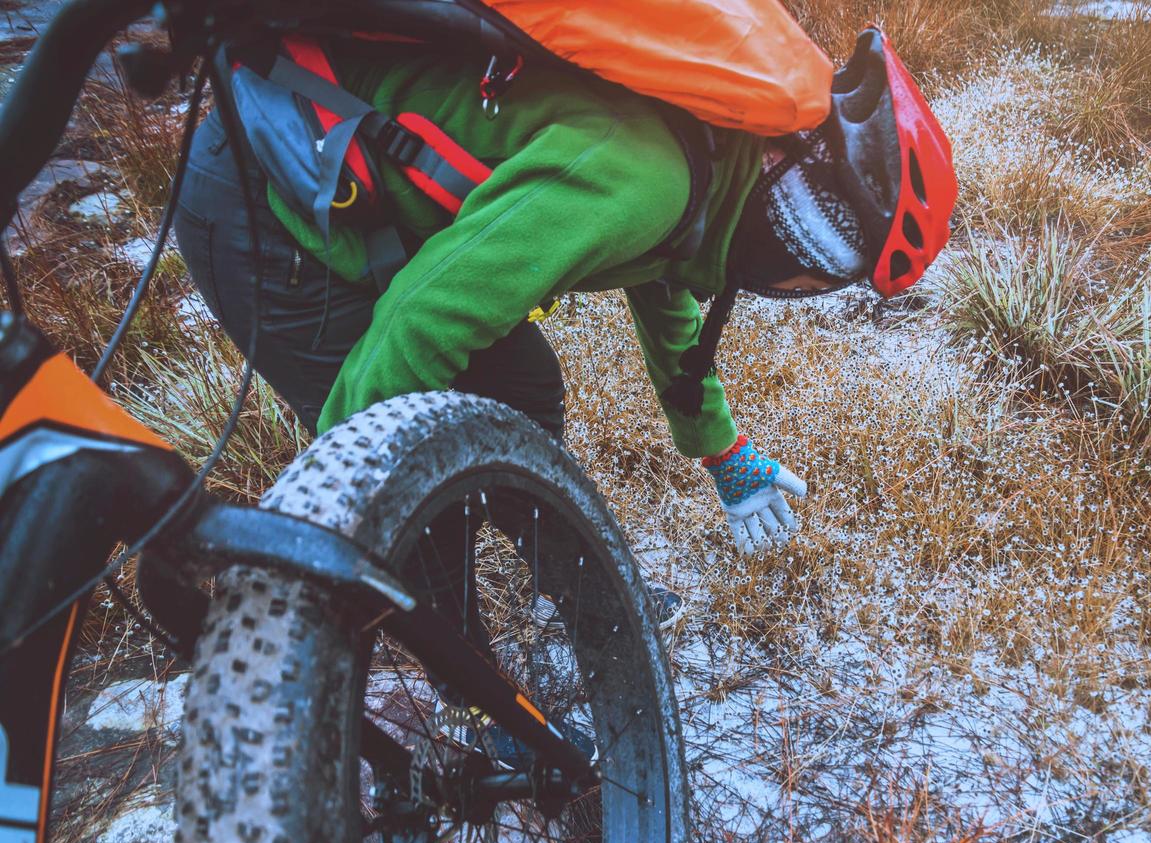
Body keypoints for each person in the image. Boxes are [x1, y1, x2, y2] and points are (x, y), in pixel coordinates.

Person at [174, 27, 956, 624]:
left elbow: (665, 288)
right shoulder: (643, 180)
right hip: (264, 204)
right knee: (419, 482)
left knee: (524, 386)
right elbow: (419, 325)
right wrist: (333, 526)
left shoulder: (712, 165)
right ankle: (466, 705)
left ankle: (592, 607)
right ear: (801, 233)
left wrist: (720, 447)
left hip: (357, 188)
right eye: (822, 273)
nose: (804, 289)